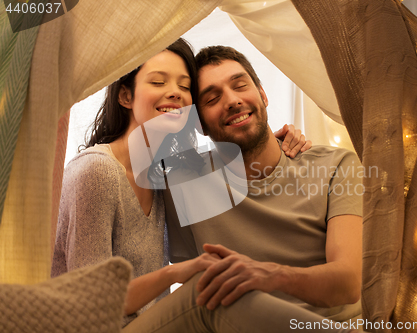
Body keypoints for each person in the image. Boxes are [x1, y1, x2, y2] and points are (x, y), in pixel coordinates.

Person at [51, 38, 343, 332]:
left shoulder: (166, 175)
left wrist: (286, 140)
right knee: (208, 295)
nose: (174, 93)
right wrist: (178, 272)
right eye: (158, 82)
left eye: (184, 86)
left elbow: (250, 146)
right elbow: (88, 304)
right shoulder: (97, 170)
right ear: (126, 96)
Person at [165, 45, 363, 324]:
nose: (232, 101)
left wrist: (268, 275)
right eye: (212, 99)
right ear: (199, 125)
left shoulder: (336, 166)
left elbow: (348, 283)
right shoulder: (185, 181)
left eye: (240, 85)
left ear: (262, 94)